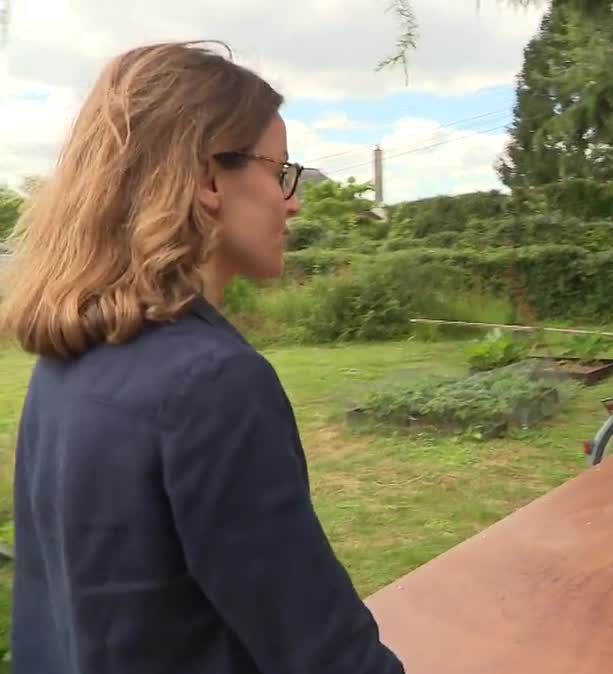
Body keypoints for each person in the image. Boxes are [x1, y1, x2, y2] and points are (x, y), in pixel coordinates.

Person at [0, 41, 406, 674]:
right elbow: (320, 651)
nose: (292, 200)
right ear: (207, 178)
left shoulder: (67, 363)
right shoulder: (212, 381)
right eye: (279, 171)